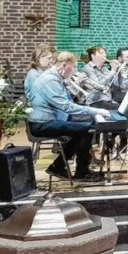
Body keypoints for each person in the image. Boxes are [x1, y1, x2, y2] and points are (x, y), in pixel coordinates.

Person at [27, 51, 110, 182]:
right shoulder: (50, 80)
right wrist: (95, 110)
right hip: (42, 123)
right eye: (74, 66)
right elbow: (66, 107)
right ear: (64, 65)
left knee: (90, 123)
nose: (75, 70)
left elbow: (69, 102)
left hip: (55, 118)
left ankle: (59, 166)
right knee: (87, 129)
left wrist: (73, 85)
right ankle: (81, 172)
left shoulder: (56, 78)